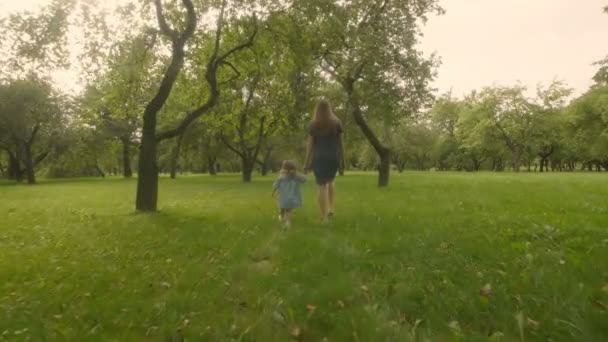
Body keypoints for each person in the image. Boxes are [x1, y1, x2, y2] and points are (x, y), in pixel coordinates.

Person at [304, 99, 345, 223]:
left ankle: (324, 216)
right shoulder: (337, 123)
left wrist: (306, 162)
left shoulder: (313, 124)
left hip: (319, 158)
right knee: (331, 181)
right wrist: (343, 160)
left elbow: (310, 144)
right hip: (333, 157)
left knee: (322, 186)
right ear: (329, 108)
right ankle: (331, 208)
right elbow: (341, 143)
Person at [272, 160, 306, 229]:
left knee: (282, 208)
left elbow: (276, 185)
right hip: (292, 197)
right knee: (289, 210)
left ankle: (281, 217)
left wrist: (273, 192)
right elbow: (304, 179)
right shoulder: (295, 177)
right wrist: (296, 174)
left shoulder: (281, 177)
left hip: (283, 197)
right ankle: (288, 222)